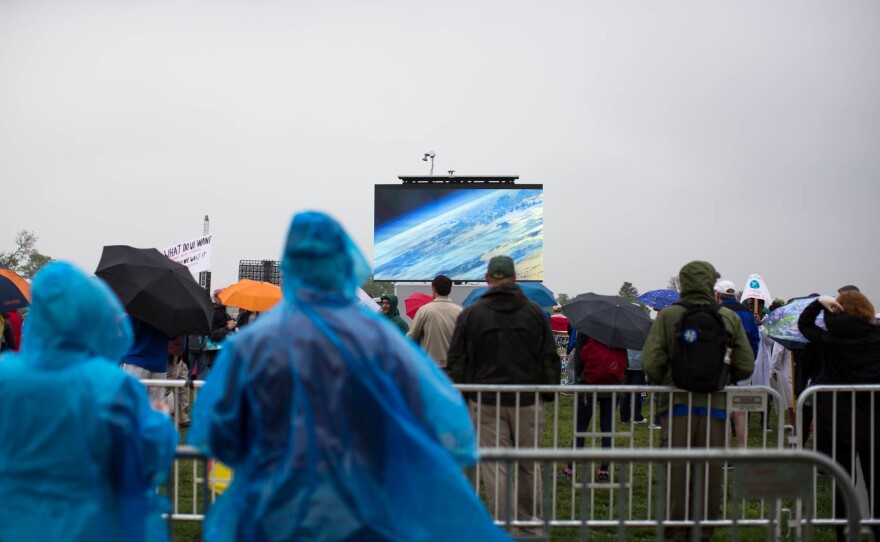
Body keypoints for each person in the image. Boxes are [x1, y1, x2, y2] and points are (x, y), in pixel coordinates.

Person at [188, 211, 508, 542]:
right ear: (343, 265)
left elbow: (219, 430)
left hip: (279, 506)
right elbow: (434, 419)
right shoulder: (379, 339)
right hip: (361, 504)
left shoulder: (253, 344)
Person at [0, 262, 176, 542]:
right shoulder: (112, 385)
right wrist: (159, 422)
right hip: (90, 524)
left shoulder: (6, 376)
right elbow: (147, 456)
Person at [642, 261, 755, 542]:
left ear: (682, 283)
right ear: (710, 285)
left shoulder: (669, 316)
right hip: (715, 409)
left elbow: (650, 362)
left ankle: (674, 533)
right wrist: (720, 376)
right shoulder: (728, 318)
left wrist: (673, 378)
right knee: (709, 478)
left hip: (677, 407)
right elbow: (745, 365)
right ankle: (702, 533)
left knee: (676, 476)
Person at [448, 255, 560, 535]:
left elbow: (457, 360)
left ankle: (502, 526)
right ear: (514, 279)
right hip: (528, 398)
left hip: (486, 400)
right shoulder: (535, 312)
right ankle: (529, 524)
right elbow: (549, 356)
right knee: (528, 463)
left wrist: (464, 396)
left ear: (487, 280)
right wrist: (548, 392)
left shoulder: (471, 314)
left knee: (494, 466)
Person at [798, 291, 880, 541]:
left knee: (843, 483)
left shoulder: (831, 340)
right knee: (875, 483)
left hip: (839, 421)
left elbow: (804, 325)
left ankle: (843, 534)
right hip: (872, 420)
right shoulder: (877, 338)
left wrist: (819, 302)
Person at [714, 279, 759, 448]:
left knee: (725, 412)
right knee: (740, 412)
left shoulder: (718, 311)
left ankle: (727, 453)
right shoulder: (747, 312)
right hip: (743, 368)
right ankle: (743, 451)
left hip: (723, 367)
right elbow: (755, 339)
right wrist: (750, 359)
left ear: (718, 295)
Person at [407, 274, 462, 370]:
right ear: (450, 290)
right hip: (453, 367)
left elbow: (411, 337)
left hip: (430, 367)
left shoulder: (424, 310)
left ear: (434, 288)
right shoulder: (460, 311)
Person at [121, 316, 171, 406]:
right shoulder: (170, 308)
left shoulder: (138, 305)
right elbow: (172, 334)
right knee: (156, 408)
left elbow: (130, 331)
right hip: (159, 361)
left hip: (137, 360)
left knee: (132, 403)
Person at [620, 348, 648, 424]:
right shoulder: (642, 336)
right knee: (637, 392)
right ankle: (636, 416)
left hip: (627, 363)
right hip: (639, 364)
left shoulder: (625, 336)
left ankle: (624, 417)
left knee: (625, 392)